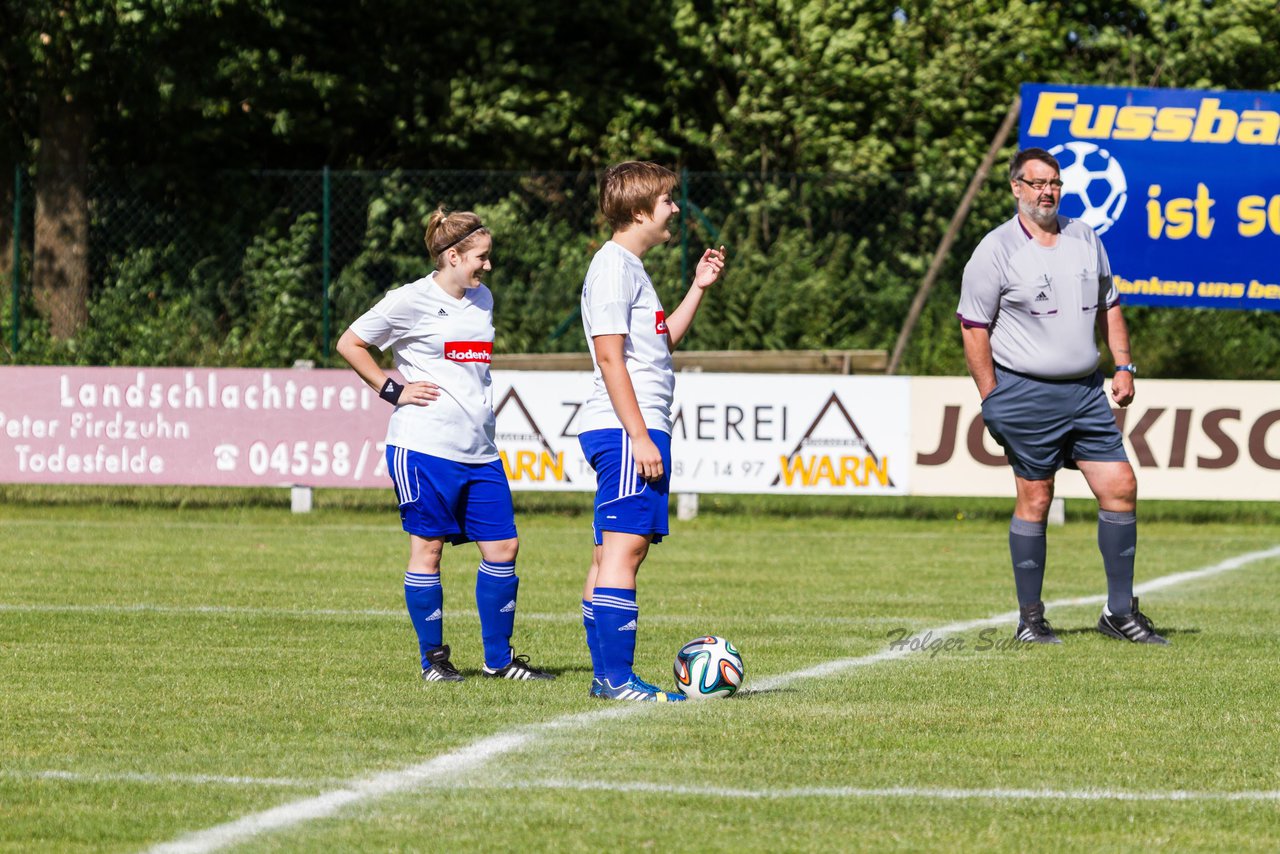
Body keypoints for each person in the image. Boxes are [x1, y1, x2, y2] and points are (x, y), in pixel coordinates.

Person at [956, 147, 1167, 646]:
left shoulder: (1085, 237)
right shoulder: (995, 249)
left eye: (1054, 183)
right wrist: (992, 398)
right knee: (1037, 497)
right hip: (1025, 392)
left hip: (1086, 391)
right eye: (1037, 183)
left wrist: (1123, 365)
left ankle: (1119, 613)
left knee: (1120, 487)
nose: (1047, 191)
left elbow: (1110, 304)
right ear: (1016, 188)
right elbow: (972, 328)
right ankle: (1031, 620)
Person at [337, 208, 556, 682]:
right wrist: (393, 390)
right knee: (429, 549)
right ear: (452, 256)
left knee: (503, 547)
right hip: (424, 448)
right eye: (481, 257)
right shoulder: (408, 300)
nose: (487, 267)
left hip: (480, 451)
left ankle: (499, 662)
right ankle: (433, 661)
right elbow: (350, 344)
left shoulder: (483, 299)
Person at [577, 161, 727, 701]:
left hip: (628, 427)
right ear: (640, 211)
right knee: (625, 550)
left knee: (609, 552)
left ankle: (605, 677)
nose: (675, 209)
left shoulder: (630, 268)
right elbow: (611, 358)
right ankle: (617, 679)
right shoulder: (614, 267)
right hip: (625, 429)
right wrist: (639, 435)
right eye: (667, 201)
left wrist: (697, 288)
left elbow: (658, 348)